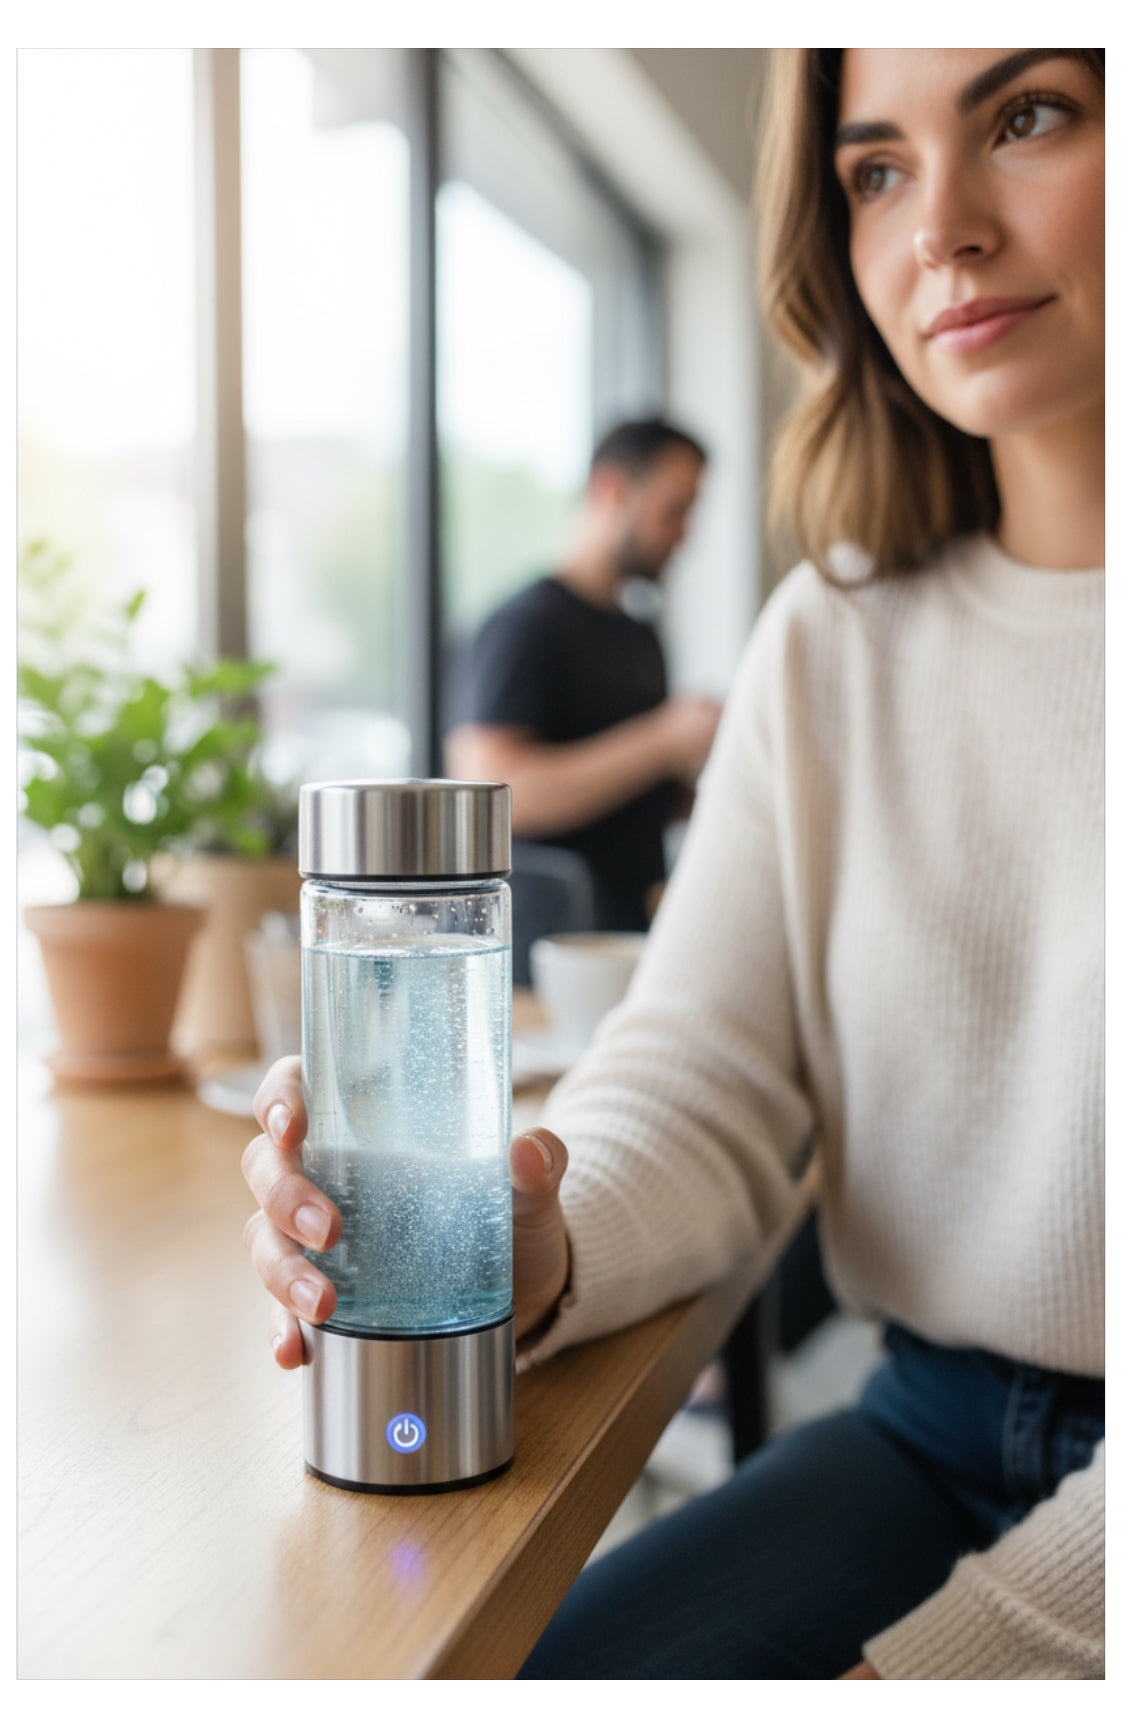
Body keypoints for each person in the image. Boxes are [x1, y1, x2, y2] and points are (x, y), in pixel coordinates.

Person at [241, 47, 1105, 1678]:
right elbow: (704, 1078)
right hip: (921, 1426)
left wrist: (931, 1671)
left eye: (1030, 114)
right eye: (875, 173)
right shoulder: (834, 643)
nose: (944, 230)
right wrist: (521, 1236)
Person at [444, 417, 722, 931]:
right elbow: (494, 796)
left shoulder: (640, 636)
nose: (684, 533)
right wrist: (664, 739)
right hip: (544, 950)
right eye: (674, 510)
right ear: (613, 489)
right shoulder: (525, 625)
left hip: (629, 935)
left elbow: (634, 795)